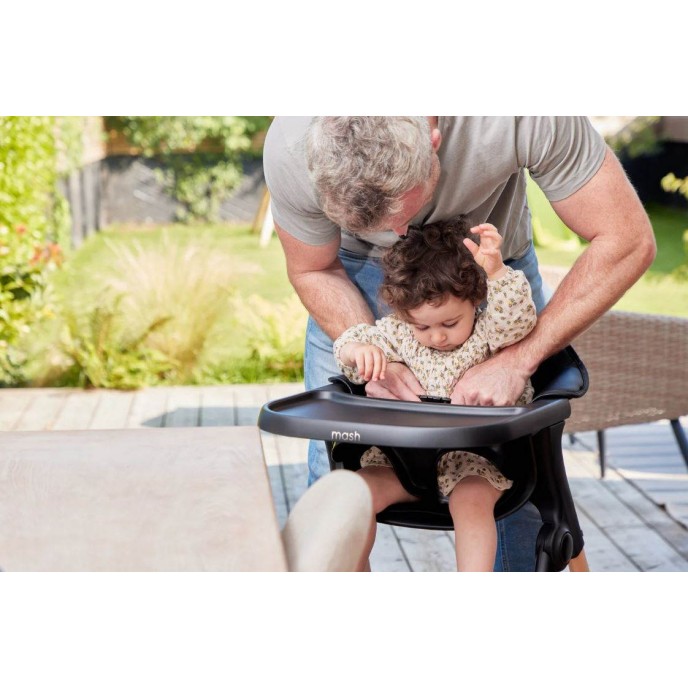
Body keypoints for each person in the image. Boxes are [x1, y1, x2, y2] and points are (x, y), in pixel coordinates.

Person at [262, 116, 656, 571]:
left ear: (434, 142)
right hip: (347, 274)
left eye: (403, 214)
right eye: (375, 224)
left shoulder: (517, 114)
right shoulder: (293, 144)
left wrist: (517, 359)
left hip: (485, 269)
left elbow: (626, 238)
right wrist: (370, 355)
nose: (396, 236)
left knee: (519, 493)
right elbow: (313, 268)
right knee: (335, 482)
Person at [334, 218, 536, 571]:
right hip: (402, 462)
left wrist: (498, 273)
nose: (437, 337)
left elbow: (516, 320)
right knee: (353, 496)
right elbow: (354, 350)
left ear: (475, 300)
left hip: (475, 461)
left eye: (450, 323)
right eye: (423, 326)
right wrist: (358, 352)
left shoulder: (490, 332)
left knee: (471, 502)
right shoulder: (397, 333)